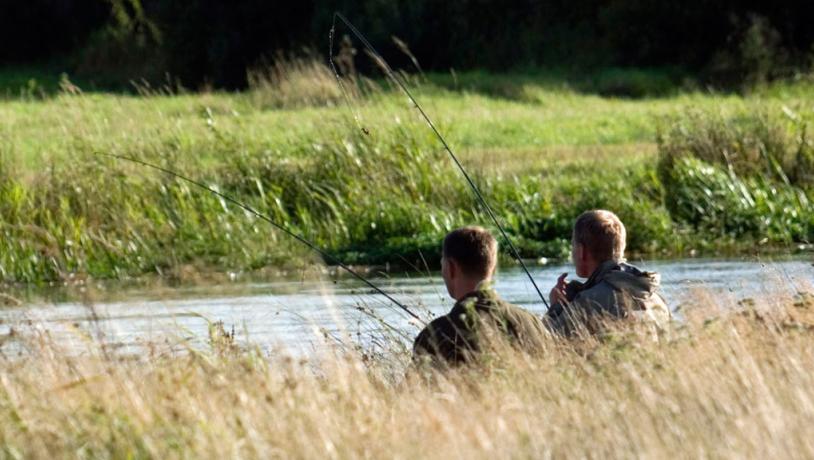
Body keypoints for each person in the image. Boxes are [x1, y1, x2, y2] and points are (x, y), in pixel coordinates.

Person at [413, 226, 546, 367]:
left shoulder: (436, 334)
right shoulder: (533, 323)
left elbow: (411, 387)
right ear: (493, 268)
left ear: (451, 267)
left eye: (443, 265)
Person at [544, 210, 671, 338]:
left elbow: (549, 342)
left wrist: (556, 307)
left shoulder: (590, 301)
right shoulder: (656, 299)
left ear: (582, 251)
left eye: (573, 246)